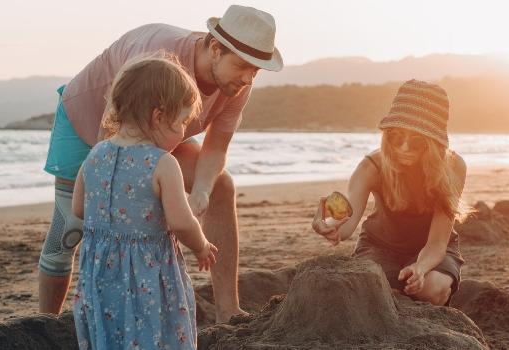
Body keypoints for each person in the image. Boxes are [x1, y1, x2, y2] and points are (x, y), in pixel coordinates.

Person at [37, 4, 283, 323]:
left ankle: (228, 311)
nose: (248, 78)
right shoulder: (156, 55)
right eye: (243, 66)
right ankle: (45, 324)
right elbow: (110, 132)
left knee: (221, 185)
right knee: (70, 228)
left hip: (164, 133)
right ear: (215, 47)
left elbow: (215, 150)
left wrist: (202, 193)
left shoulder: (236, 86)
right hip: (90, 120)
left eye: (256, 70)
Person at [71, 53, 218, 349]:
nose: (184, 133)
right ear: (159, 117)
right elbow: (180, 221)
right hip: (147, 276)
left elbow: (78, 208)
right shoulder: (162, 163)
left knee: (109, 336)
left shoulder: (96, 154)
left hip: (99, 276)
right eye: (182, 122)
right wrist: (201, 245)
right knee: (154, 334)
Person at [312, 80, 469, 306]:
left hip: (432, 248)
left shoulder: (453, 167)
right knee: (387, 296)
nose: (403, 148)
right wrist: (329, 227)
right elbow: (346, 224)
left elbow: (437, 241)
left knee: (430, 291)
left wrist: (420, 268)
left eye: (416, 141)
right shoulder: (371, 167)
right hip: (380, 247)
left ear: (434, 143)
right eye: (396, 137)